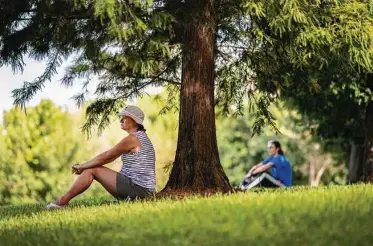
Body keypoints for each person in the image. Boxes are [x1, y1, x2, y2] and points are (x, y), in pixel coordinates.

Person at [45, 105, 156, 209]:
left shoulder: (133, 139)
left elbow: (107, 157)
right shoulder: (142, 138)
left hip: (138, 190)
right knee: (92, 168)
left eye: (125, 117)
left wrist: (82, 166)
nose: (121, 120)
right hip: (143, 191)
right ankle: (62, 201)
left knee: (92, 169)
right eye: (121, 117)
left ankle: (62, 202)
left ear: (135, 120)